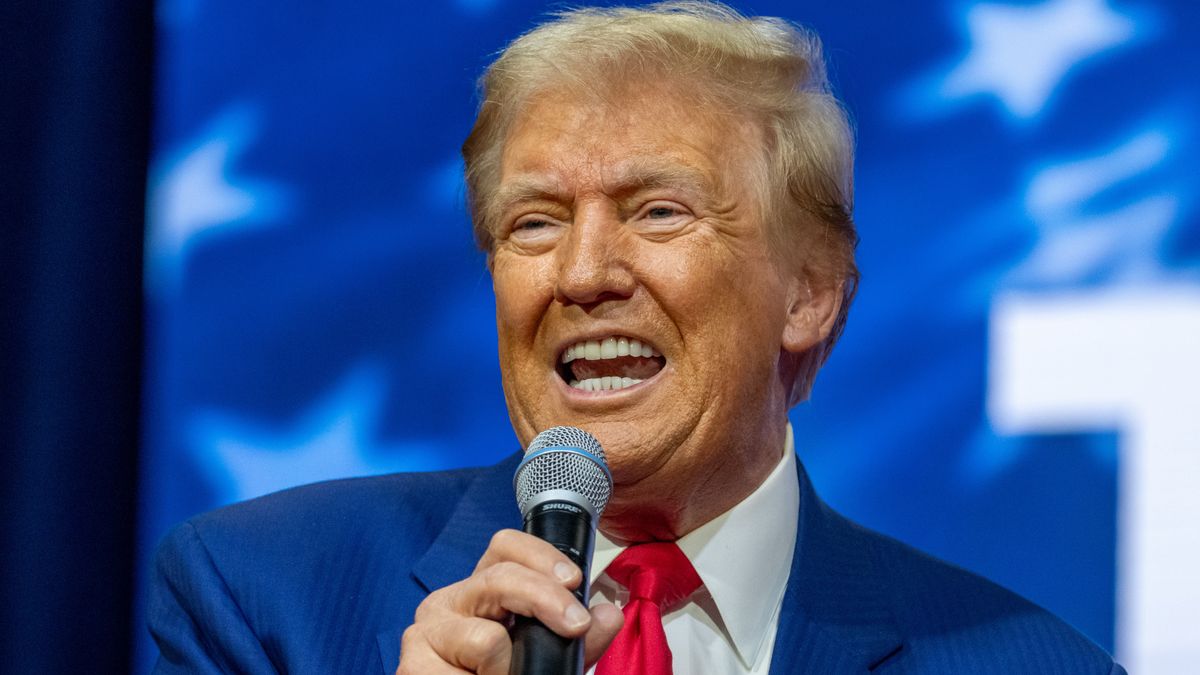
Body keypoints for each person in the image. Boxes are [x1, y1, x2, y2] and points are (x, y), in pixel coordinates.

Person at [148, 3, 1125, 673]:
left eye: (658, 213)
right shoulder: (261, 601)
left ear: (811, 294)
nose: (582, 275)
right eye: (534, 223)